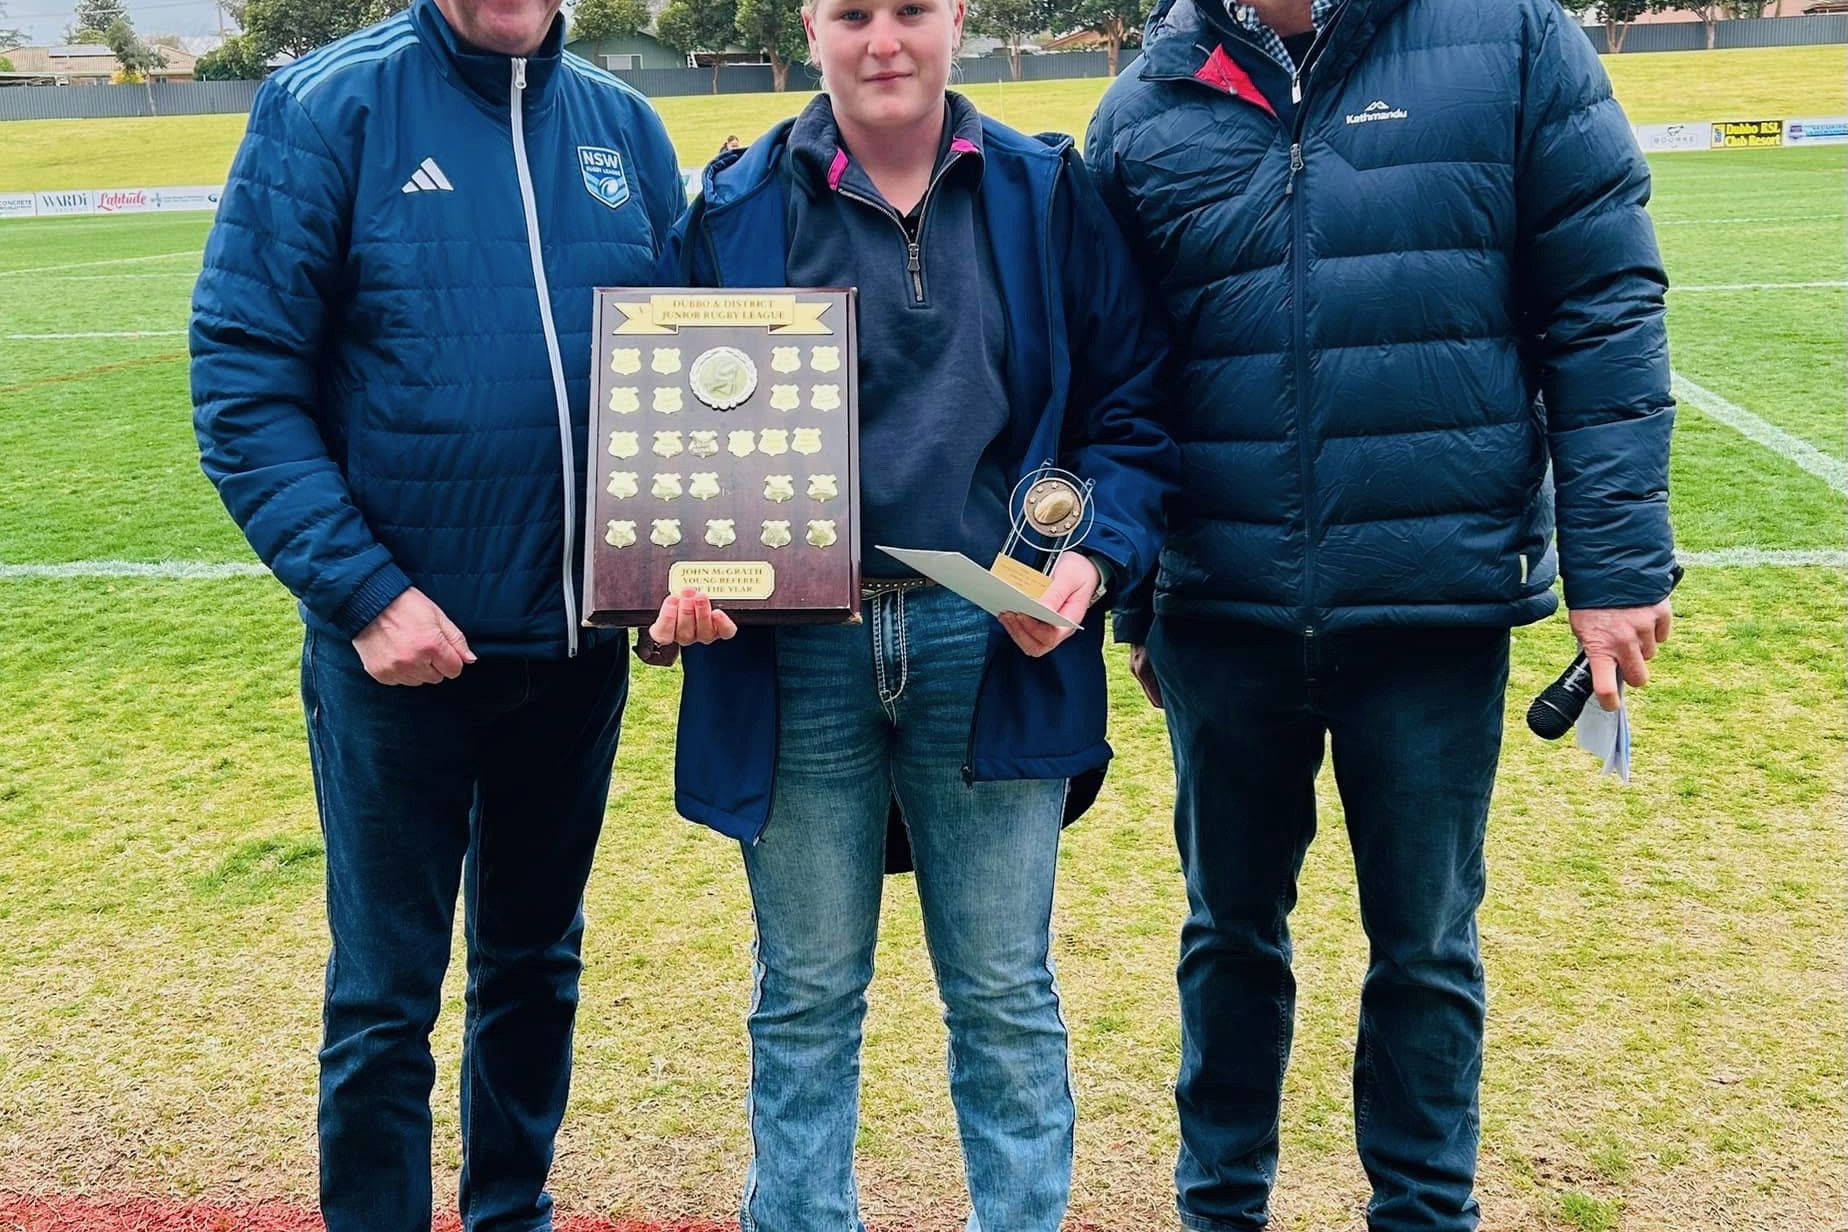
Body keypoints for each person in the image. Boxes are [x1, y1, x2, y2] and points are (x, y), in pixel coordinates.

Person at [1084, 1, 1677, 1229]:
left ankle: (1421, 1210)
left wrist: (1615, 568)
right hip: (1225, 613)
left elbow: (1604, 299)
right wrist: (1139, 597)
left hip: (1432, 602)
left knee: (1425, 946)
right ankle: (1219, 1206)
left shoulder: (1510, 37)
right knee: (1230, 935)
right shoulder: (1147, 97)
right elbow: (1119, 372)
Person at [641, 0, 1177, 1226]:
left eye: (911, 11)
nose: (884, 40)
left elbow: (1132, 412)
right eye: (851, 13)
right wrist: (668, 581)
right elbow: (666, 452)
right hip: (795, 659)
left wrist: (1090, 556)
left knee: (1001, 991)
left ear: (958, 22)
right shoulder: (730, 211)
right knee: (808, 996)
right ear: (810, 28)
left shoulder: (1047, 193)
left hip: (986, 643)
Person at [187, 0, 683, 1226]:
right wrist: (365, 593)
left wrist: (686, 566)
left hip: (572, 656)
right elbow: (244, 384)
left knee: (533, 970)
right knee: (384, 995)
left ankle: (510, 1209)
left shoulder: (626, 127)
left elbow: (687, 377)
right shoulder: (327, 107)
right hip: (397, 659)